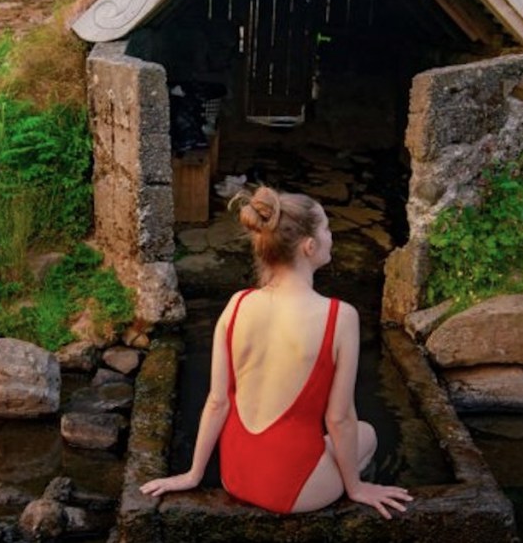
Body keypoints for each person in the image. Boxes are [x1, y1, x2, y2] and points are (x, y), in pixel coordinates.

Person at [140, 186, 413, 517]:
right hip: (293, 491)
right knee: (366, 434)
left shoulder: (237, 304)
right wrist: (356, 488)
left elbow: (217, 402)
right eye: (327, 228)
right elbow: (339, 418)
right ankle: (342, 485)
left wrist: (193, 475)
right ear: (309, 246)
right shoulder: (340, 317)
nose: (331, 236)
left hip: (235, 476)